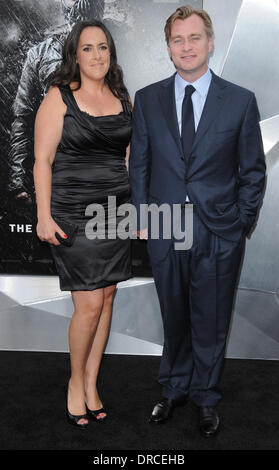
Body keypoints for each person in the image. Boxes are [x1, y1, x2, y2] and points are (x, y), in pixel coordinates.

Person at [129, 5, 265, 437]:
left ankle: (206, 397)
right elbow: (140, 166)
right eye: (177, 40)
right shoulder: (147, 99)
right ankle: (173, 389)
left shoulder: (240, 101)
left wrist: (240, 223)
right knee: (173, 313)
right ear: (168, 47)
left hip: (218, 230)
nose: (186, 47)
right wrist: (143, 218)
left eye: (194, 38)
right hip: (165, 225)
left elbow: (253, 171)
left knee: (211, 316)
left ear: (209, 42)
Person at [33, 19, 132, 429]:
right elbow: (41, 160)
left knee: (107, 297)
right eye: (88, 48)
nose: (97, 55)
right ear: (76, 54)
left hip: (116, 211)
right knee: (89, 302)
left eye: (103, 47)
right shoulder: (58, 96)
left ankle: (92, 383)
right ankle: (75, 383)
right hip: (74, 213)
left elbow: (127, 158)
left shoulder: (123, 97)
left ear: (111, 53)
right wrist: (43, 214)